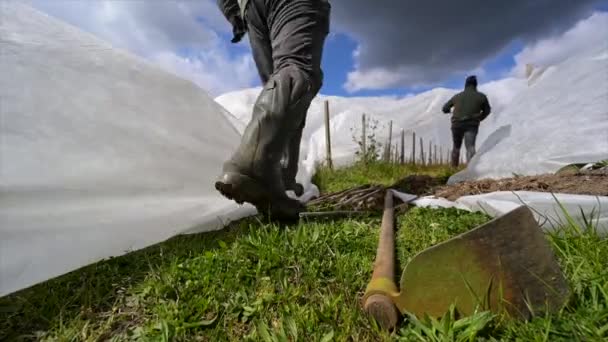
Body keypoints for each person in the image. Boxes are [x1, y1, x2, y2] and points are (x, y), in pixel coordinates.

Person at [215, 0, 331, 220]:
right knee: (297, 70)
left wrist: (234, 14)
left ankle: (281, 181)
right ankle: (251, 167)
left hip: (251, 9)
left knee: (280, 87)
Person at [441, 75, 491, 167]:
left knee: (456, 147)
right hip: (471, 124)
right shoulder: (482, 96)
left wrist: (450, 111)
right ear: (475, 85)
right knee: (470, 147)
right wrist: (480, 118)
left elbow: (444, 108)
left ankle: (453, 170)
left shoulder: (457, 96)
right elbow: (487, 111)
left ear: (465, 85)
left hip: (456, 124)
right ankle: (471, 170)